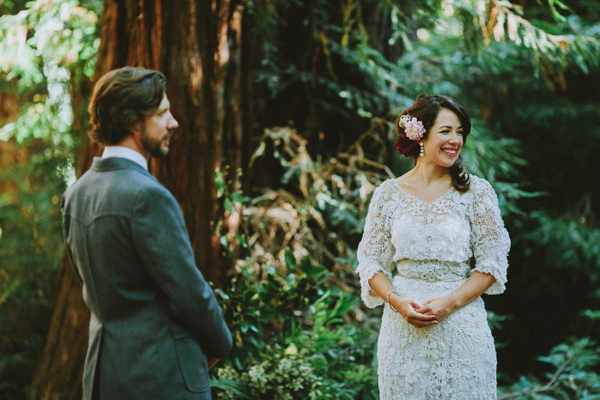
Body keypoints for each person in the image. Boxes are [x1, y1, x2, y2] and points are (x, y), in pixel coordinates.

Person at [61, 67, 232, 400]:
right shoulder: (146, 196)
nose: (173, 123)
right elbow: (190, 294)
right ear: (132, 122)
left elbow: (96, 288)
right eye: (162, 113)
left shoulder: (75, 195)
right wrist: (220, 344)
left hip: (103, 378)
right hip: (161, 378)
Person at [356, 94, 510, 399]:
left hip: (462, 327)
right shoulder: (387, 195)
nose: (455, 140)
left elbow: (492, 263)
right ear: (420, 135)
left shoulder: (477, 193)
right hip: (402, 334)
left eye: (460, 133)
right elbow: (371, 263)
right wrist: (397, 302)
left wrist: (448, 303)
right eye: (446, 131)